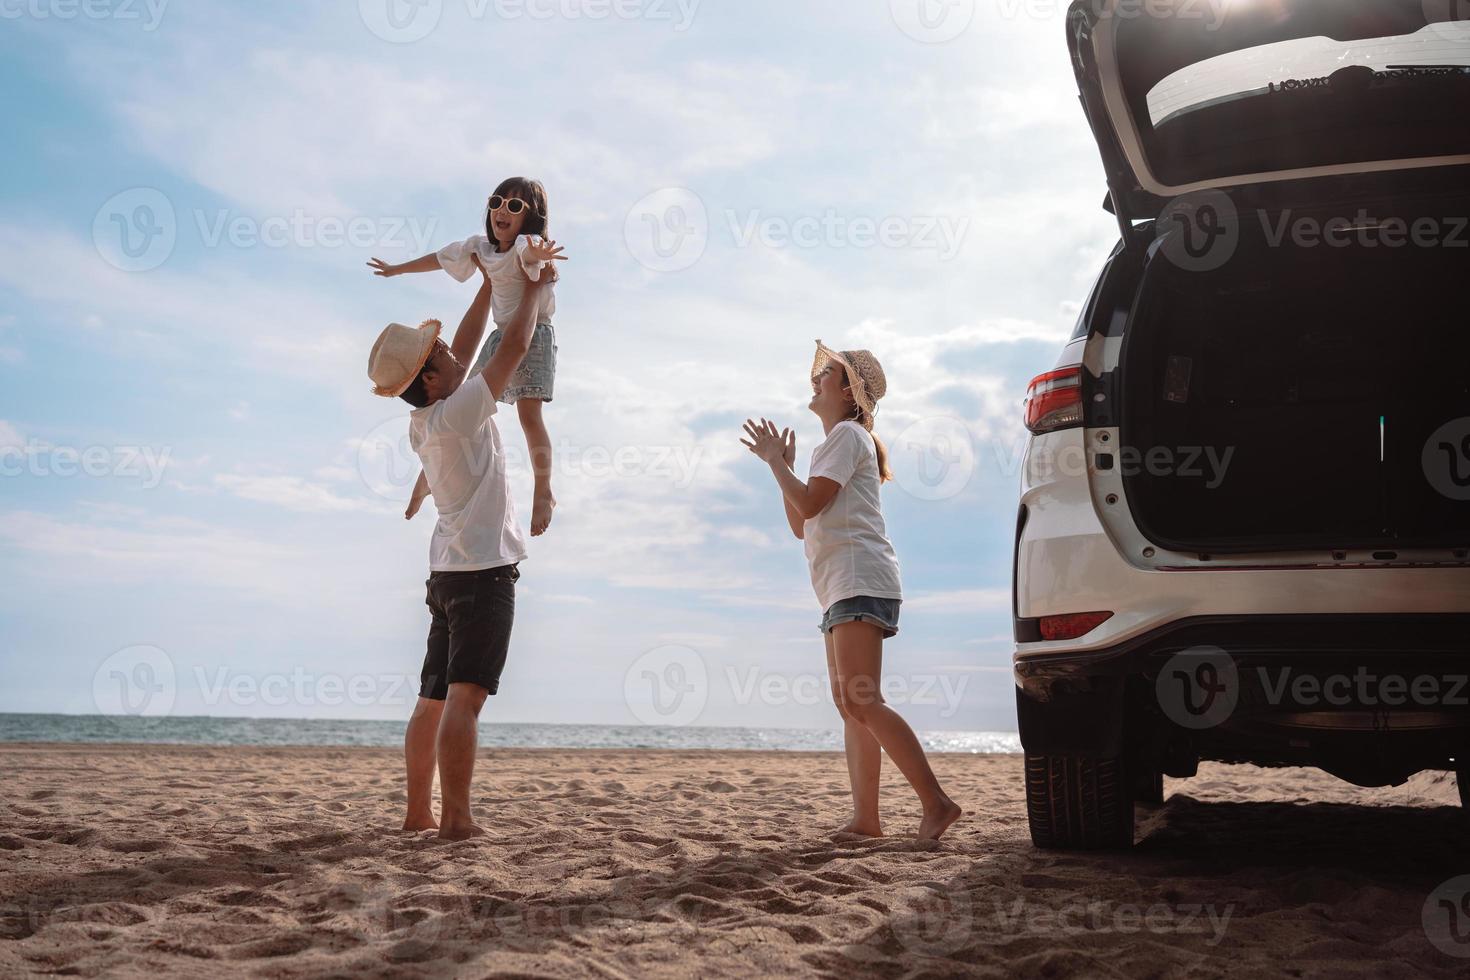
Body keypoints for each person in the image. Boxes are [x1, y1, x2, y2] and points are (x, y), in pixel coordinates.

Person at [367, 244, 565, 840]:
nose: (458, 353)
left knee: (430, 699)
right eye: (447, 355)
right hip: (482, 576)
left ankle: (417, 814)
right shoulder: (460, 411)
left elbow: (471, 337)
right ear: (431, 378)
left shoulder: (423, 420)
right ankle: (456, 819)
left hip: (446, 576)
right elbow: (510, 349)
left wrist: (485, 284)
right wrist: (531, 288)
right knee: (464, 699)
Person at [741, 342, 963, 841]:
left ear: (847, 392)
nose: (816, 377)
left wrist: (778, 463)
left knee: (861, 698)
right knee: (851, 703)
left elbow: (812, 502)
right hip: (842, 583)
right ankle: (867, 821)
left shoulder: (847, 434)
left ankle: (937, 802)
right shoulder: (838, 441)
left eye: (827, 373)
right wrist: (785, 470)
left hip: (859, 578)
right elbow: (802, 522)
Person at [370, 177, 562, 537]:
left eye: (515, 206)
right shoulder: (482, 249)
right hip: (504, 334)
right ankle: (426, 480)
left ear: (530, 218)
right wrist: (398, 268)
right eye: (497, 202)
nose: (502, 210)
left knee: (529, 414)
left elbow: (531, 252)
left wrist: (541, 258)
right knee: (461, 391)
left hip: (534, 332)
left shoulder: (524, 243)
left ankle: (544, 490)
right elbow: (440, 259)